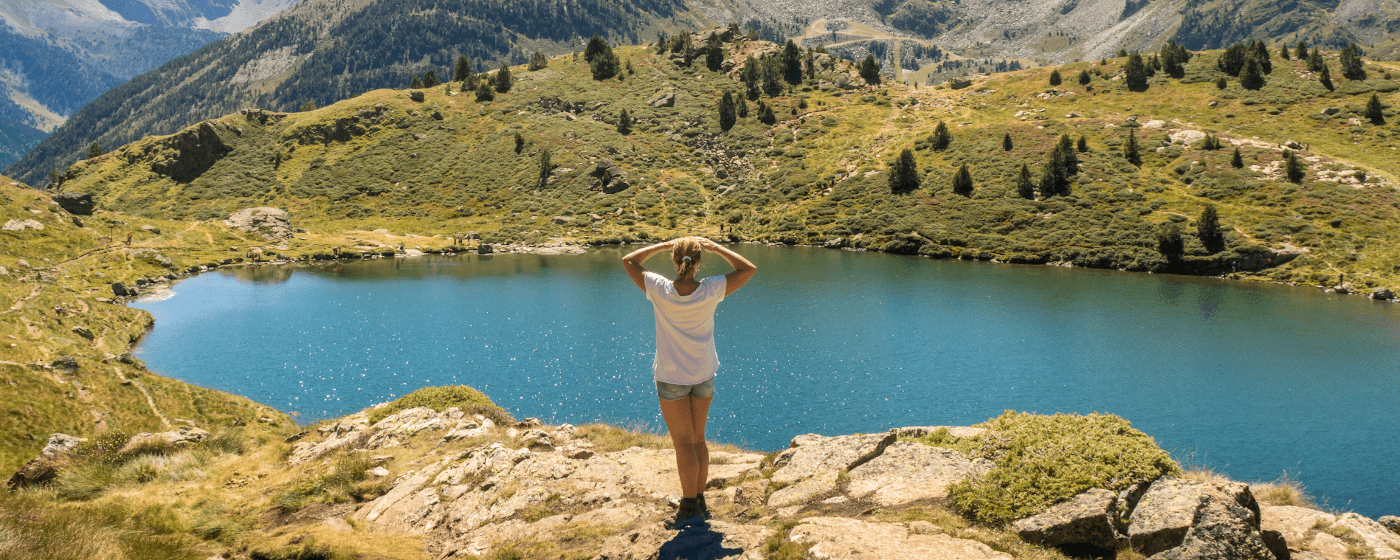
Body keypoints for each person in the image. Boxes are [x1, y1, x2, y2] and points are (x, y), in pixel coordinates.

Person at [622, 237, 756, 528]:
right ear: (698, 263)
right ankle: (699, 499)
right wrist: (718, 248)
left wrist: (663, 244)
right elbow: (748, 269)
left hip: (671, 377)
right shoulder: (711, 289)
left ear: (674, 261)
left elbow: (629, 261)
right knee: (698, 439)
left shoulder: (659, 288)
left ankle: (687, 508)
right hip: (704, 373)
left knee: (683, 443)